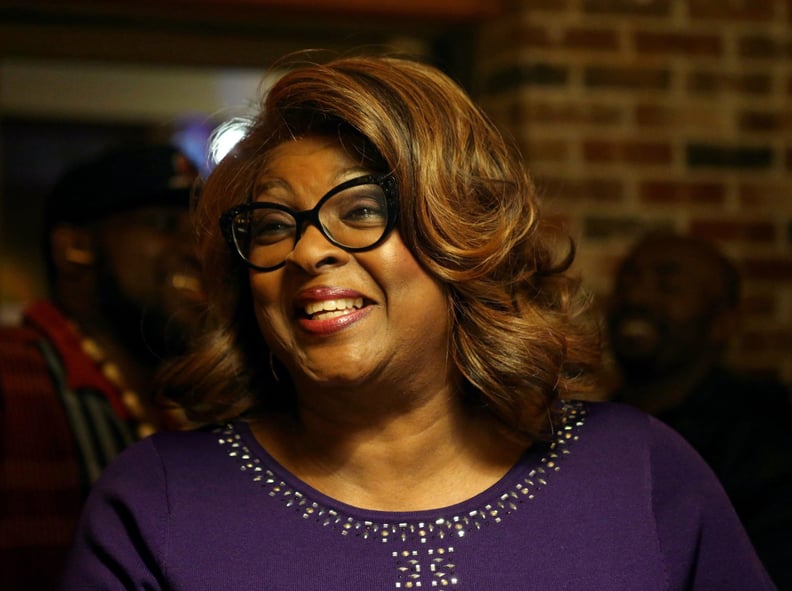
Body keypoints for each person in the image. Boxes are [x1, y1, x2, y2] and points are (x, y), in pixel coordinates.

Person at [59, 55, 774, 590]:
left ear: (463, 239)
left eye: (362, 210)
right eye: (273, 223)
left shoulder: (637, 472)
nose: (308, 250)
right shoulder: (157, 502)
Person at [0, 143, 206, 589]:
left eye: (204, 233)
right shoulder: (12, 376)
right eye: (163, 224)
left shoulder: (189, 404)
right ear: (74, 248)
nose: (199, 252)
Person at [606, 231, 792, 589]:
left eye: (667, 286)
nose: (636, 297)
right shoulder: (591, 428)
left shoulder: (765, 439)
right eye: (628, 280)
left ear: (722, 323)